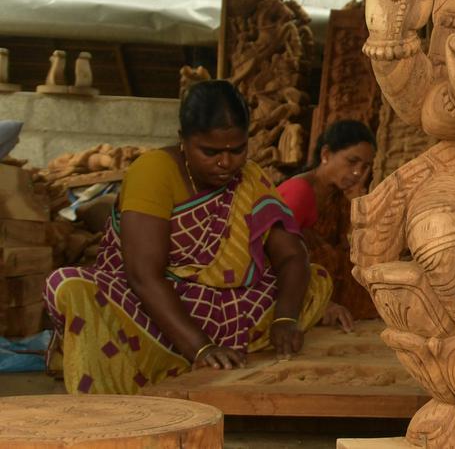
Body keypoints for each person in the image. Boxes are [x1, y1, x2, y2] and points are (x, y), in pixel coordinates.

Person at [44, 80, 332, 394]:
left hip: (227, 306)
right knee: (70, 285)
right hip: (153, 308)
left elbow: (292, 255)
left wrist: (285, 319)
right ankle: (181, 354)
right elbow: (142, 275)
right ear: (183, 140)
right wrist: (201, 348)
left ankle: (222, 343)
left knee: (314, 279)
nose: (226, 162)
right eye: (210, 151)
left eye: (237, 150)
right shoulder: (153, 171)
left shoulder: (249, 178)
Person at [277, 120, 377, 327]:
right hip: (285, 291)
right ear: (326, 154)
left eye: (365, 166)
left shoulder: (336, 196)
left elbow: (344, 252)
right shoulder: (300, 192)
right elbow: (273, 257)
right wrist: (319, 303)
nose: (358, 173)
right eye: (352, 161)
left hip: (324, 288)